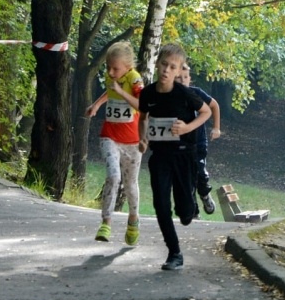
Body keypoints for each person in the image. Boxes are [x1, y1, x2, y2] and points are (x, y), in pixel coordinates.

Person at [138, 42, 212, 271]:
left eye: (173, 67)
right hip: (160, 156)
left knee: (185, 211)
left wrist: (188, 128)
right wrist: (143, 138)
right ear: (157, 64)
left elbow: (206, 111)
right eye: (164, 64)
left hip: (184, 156)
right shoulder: (148, 93)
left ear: (179, 71)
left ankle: (189, 208)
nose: (167, 70)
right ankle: (174, 253)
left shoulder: (184, 94)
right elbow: (143, 118)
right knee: (161, 204)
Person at [86, 41, 144, 246]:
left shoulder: (135, 80)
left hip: (133, 141)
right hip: (109, 136)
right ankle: (106, 222)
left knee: (130, 184)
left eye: (115, 68)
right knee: (113, 176)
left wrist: (121, 92)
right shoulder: (114, 78)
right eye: (108, 67)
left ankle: (133, 220)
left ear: (128, 67)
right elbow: (109, 91)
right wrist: (96, 105)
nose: (111, 72)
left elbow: (142, 104)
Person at [180, 61, 221, 214]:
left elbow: (214, 105)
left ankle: (204, 194)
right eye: (178, 78)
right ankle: (194, 213)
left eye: (184, 78)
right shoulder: (168, 97)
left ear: (189, 79)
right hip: (179, 145)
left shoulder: (196, 93)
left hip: (198, 142)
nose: (181, 81)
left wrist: (216, 128)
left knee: (200, 175)